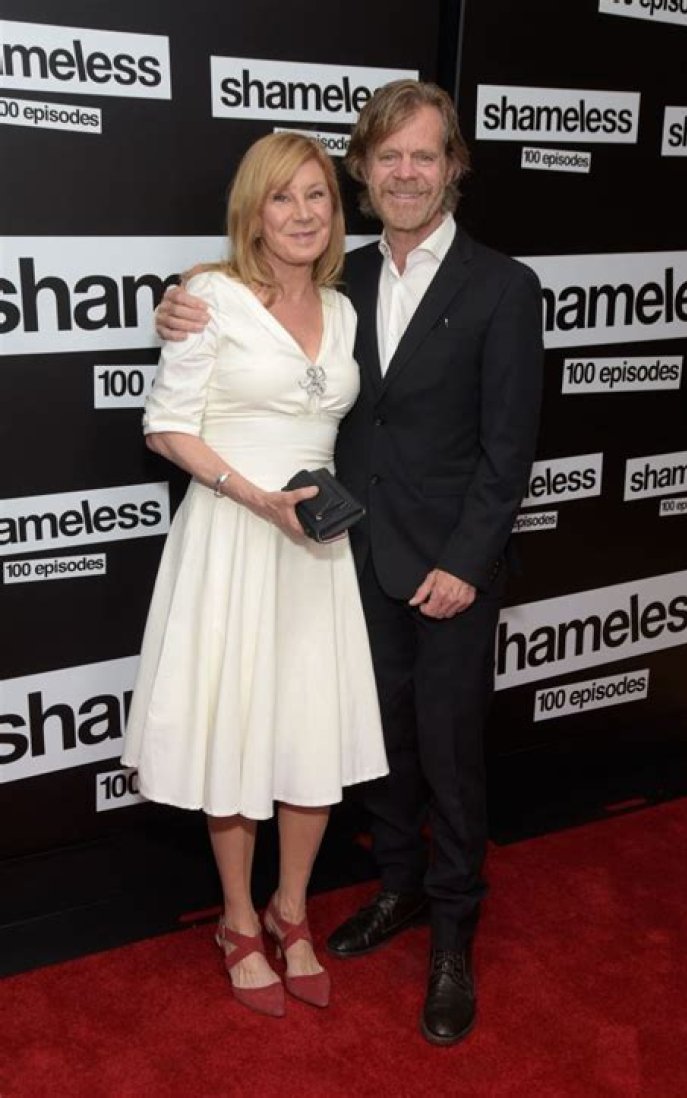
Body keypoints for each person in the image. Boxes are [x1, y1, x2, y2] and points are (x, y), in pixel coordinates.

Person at [155, 80, 544, 1045]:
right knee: (376, 753)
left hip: (447, 570)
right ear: (364, 171)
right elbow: (251, 341)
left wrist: (468, 562)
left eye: (426, 155)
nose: (406, 173)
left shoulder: (503, 286)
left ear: (453, 167)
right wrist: (181, 305)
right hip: (343, 559)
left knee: (451, 757)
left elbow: (509, 450)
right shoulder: (344, 283)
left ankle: (452, 934)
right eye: (388, 156)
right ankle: (396, 889)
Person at [122, 132, 388, 1020]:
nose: (302, 214)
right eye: (283, 197)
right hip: (236, 535)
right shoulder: (209, 298)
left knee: (311, 733)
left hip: (315, 549)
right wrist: (253, 495)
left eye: (317, 196)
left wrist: (297, 510)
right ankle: (237, 919)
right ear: (254, 210)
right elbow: (166, 426)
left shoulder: (345, 309)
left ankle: (291, 908)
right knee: (234, 730)